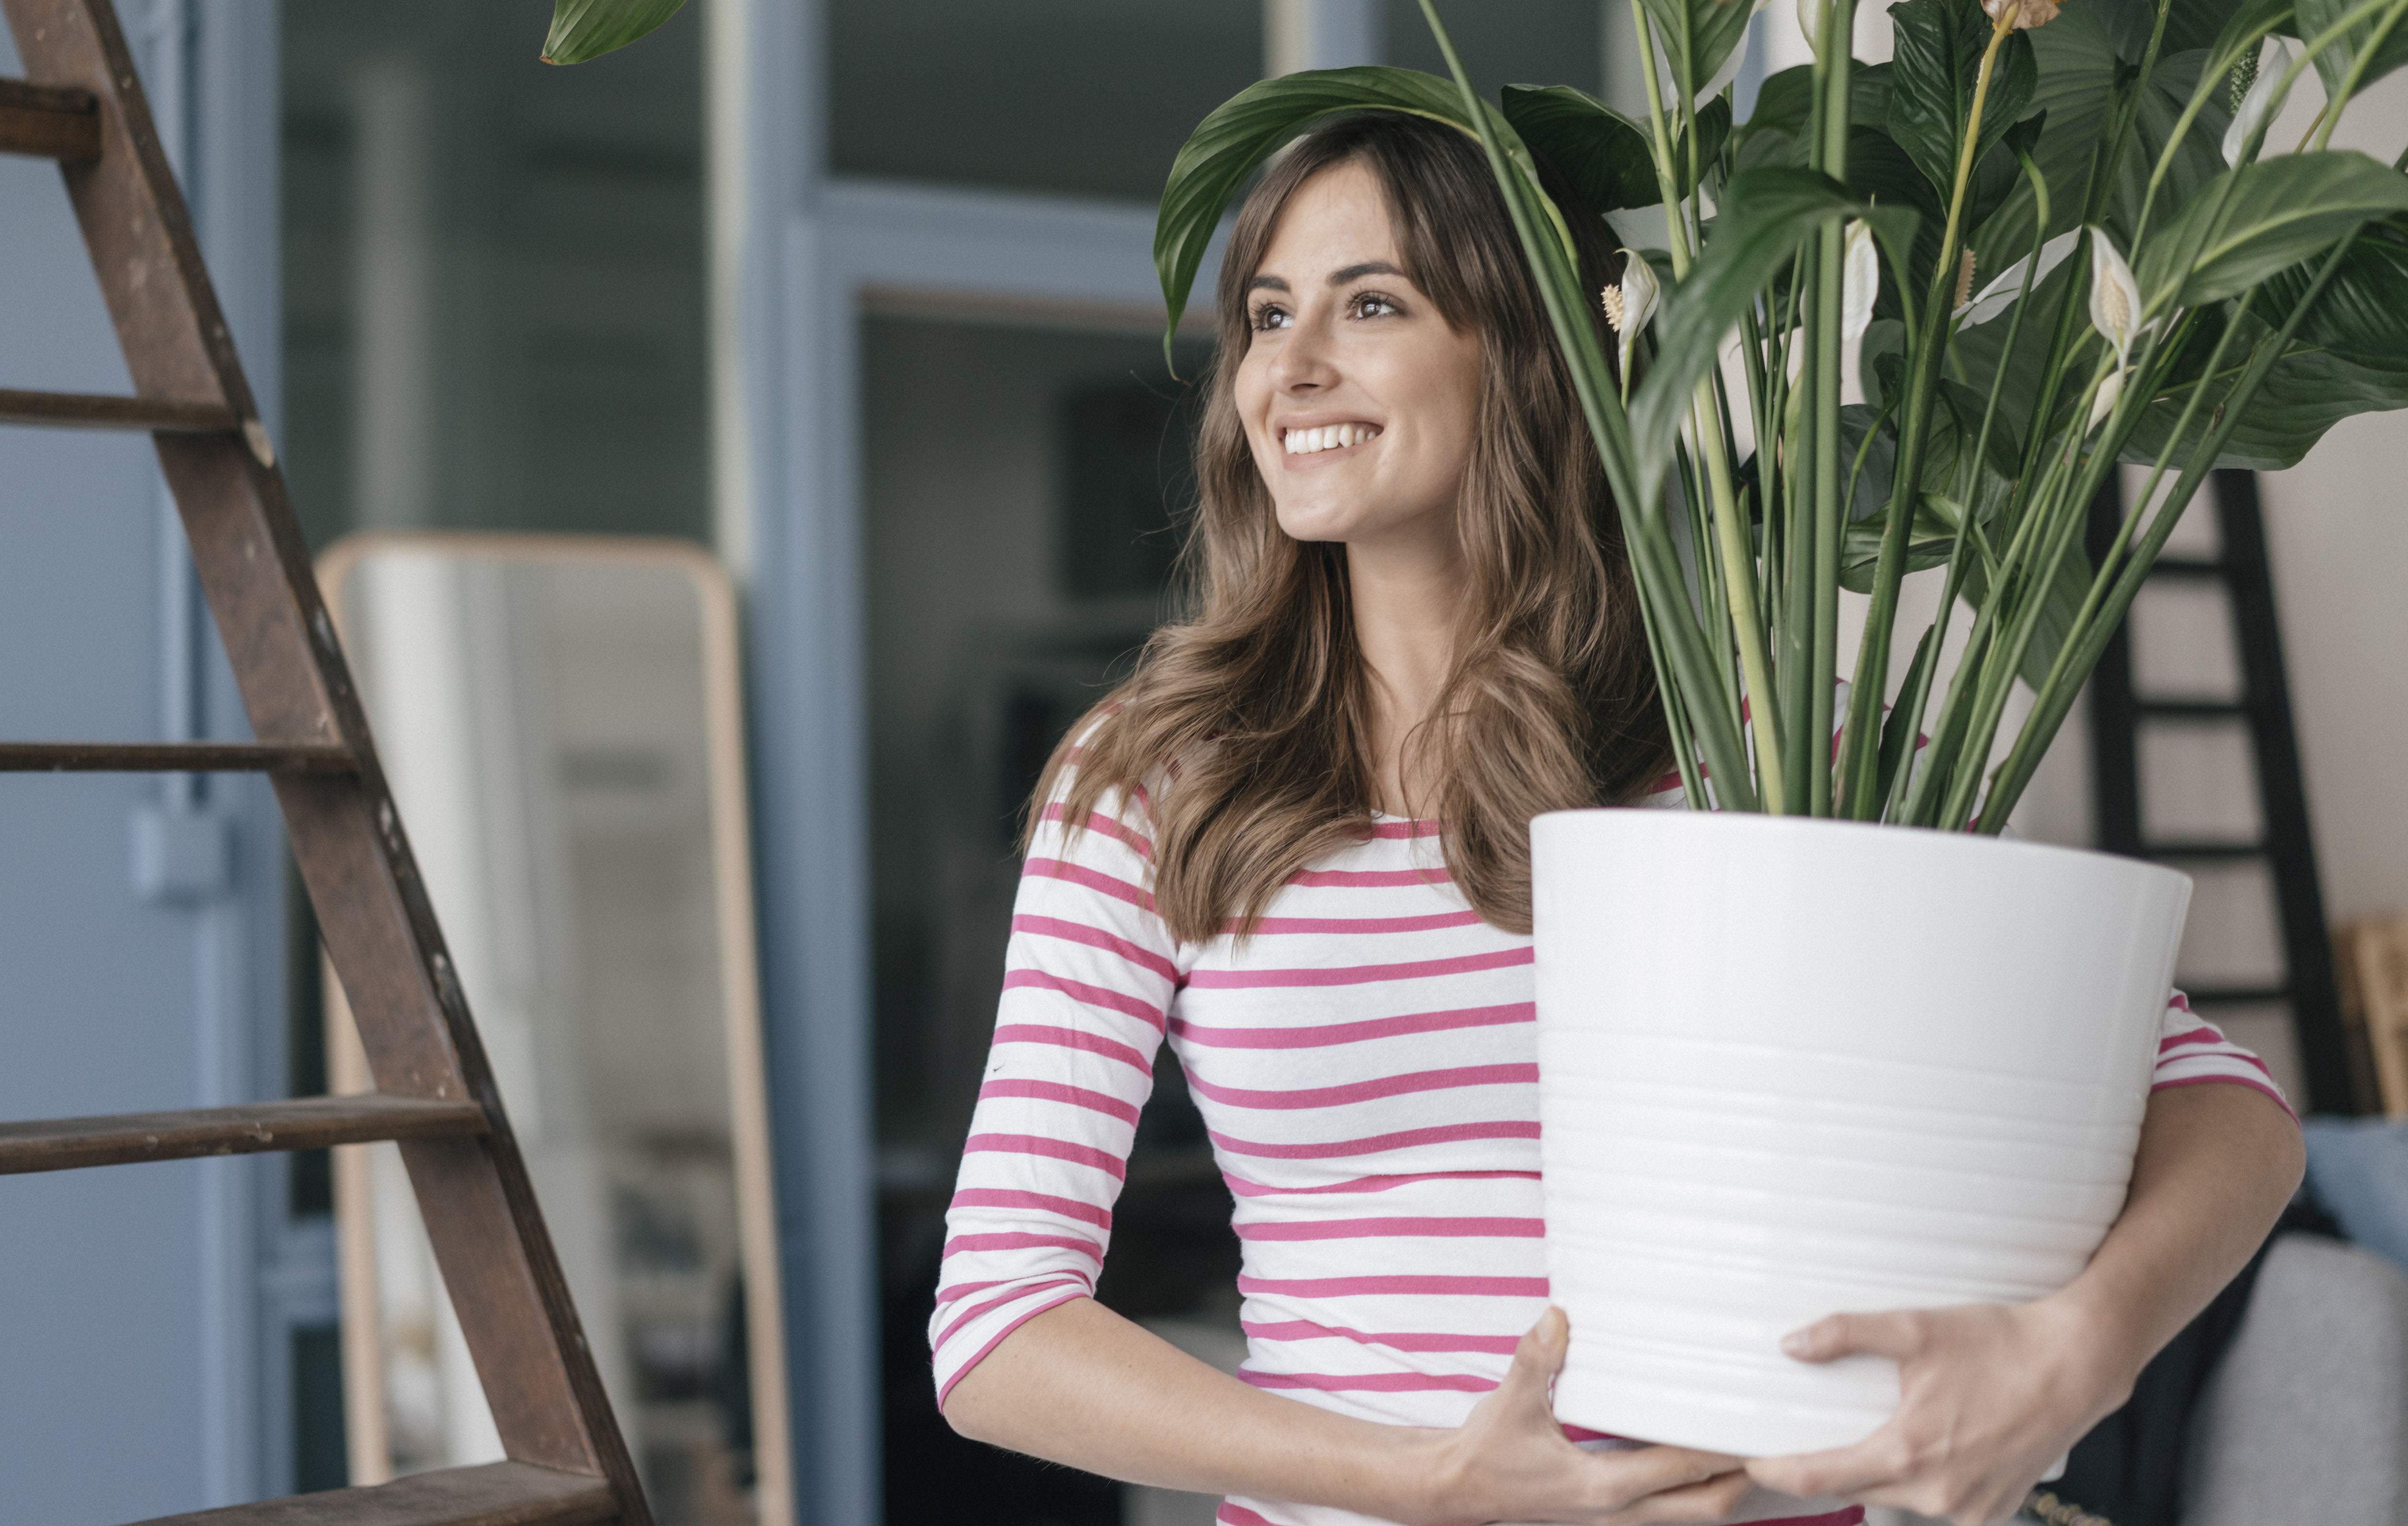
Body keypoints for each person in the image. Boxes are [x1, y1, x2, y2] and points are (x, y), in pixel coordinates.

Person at [928, 111, 2303, 1526]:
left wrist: (2071, 1355)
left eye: (1373, 304)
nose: (1290, 367)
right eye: (1267, 315)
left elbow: (2228, 1105)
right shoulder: (1160, 774)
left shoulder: (1750, 740)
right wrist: (1433, 1481)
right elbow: (995, 1327)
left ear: (1532, 355)